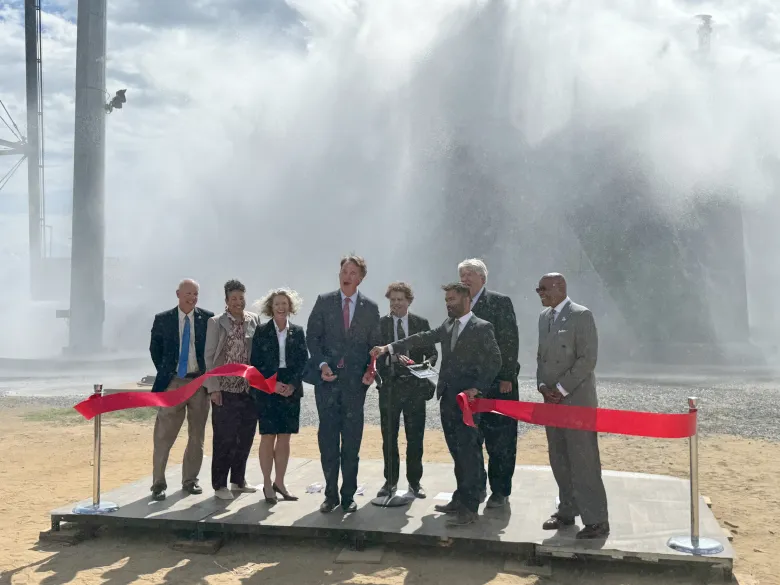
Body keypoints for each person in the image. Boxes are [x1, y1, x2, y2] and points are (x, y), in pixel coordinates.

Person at [372, 282, 501, 526]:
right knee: (457, 452)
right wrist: (389, 348)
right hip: (448, 400)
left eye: (452, 299)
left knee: (469, 452)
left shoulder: (482, 328)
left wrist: (478, 387)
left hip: (468, 402)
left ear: (466, 300)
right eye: (446, 300)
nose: (448, 304)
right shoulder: (448, 325)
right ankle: (460, 498)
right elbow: (423, 338)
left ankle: (470, 507)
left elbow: (495, 360)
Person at [536, 272, 610, 539]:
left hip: (577, 402)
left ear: (559, 287)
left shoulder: (581, 315)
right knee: (559, 458)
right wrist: (543, 387)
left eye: (542, 288)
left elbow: (587, 358)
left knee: (584, 460)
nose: (539, 293)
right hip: (551, 403)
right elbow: (540, 358)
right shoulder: (544, 318)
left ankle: (597, 519)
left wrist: (561, 388)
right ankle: (567, 510)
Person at [305, 255, 380, 514]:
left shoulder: (370, 308)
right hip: (326, 383)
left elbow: (375, 347)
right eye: (344, 271)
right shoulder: (324, 302)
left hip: (354, 386)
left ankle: (348, 495)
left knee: (351, 442)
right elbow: (312, 338)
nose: (347, 275)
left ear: (361, 277)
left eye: (352, 272)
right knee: (327, 440)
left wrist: (371, 372)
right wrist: (322, 364)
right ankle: (330, 494)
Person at [459, 258, 520, 509]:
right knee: (471, 439)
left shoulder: (499, 302)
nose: (465, 278)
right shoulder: (458, 304)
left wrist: (507, 375)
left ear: (483, 278)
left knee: (501, 441)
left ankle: (500, 491)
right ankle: (476, 487)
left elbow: (509, 340)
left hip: (498, 384)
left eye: (470, 274)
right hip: (469, 385)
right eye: (462, 274)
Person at [149, 279, 214, 501]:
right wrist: (167, 375)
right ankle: (158, 483)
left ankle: (190, 480)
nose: (192, 298)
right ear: (178, 294)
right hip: (173, 383)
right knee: (164, 435)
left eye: (196, 294)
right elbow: (155, 349)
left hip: (199, 384)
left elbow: (212, 349)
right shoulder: (163, 319)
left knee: (197, 435)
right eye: (188, 293)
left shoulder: (208, 318)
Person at [375, 282, 438, 499]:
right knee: (389, 438)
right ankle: (390, 482)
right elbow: (373, 354)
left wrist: (424, 365)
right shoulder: (380, 324)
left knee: (415, 437)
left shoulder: (421, 323)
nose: (396, 304)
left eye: (400, 299)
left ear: (409, 301)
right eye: (392, 300)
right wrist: (389, 358)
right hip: (390, 388)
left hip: (414, 388)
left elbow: (432, 353)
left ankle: (415, 482)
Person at [203, 279, 260, 500]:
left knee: (245, 436)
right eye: (233, 298)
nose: (238, 302)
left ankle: (238, 480)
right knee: (224, 438)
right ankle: (220, 485)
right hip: (224, 388)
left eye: (241, 298)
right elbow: (210, 356)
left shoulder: (253, 319)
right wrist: (213, 388)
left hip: (247, 389)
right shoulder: (216, 322)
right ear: (226, 301)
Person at [251, 288, 308, 504]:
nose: (281, 307)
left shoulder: (298, 331)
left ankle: (280, 482)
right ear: (271, 308)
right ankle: (267, 484)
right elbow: (255, 363)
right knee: (268, 436)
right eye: (277, 304)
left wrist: (292, 384)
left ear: (290, 306)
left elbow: (303, 360)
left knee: (285, 436)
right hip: (268, 388)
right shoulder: (261, 331)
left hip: (291, 389)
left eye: (285, 303)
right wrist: (272, 385)